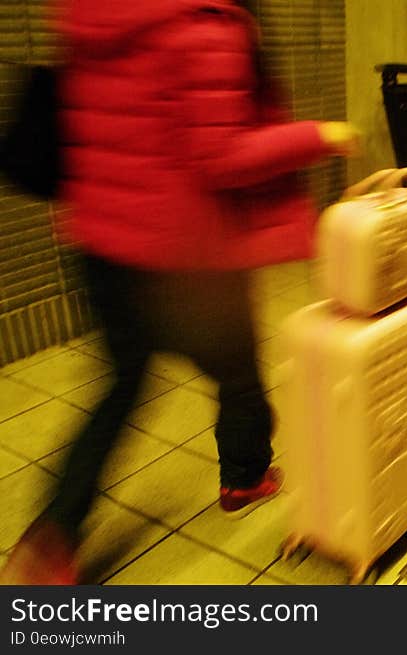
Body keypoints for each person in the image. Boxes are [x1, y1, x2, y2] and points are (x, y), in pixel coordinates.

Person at [0, 0, 360, 585]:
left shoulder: (92, 13)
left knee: (119, 389)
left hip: (98, 243)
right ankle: (245, 476)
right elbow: (223, 157)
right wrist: (321, 134)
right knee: (239, 373)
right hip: (184, 255)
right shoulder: (202, 23)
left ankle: (52, 538)